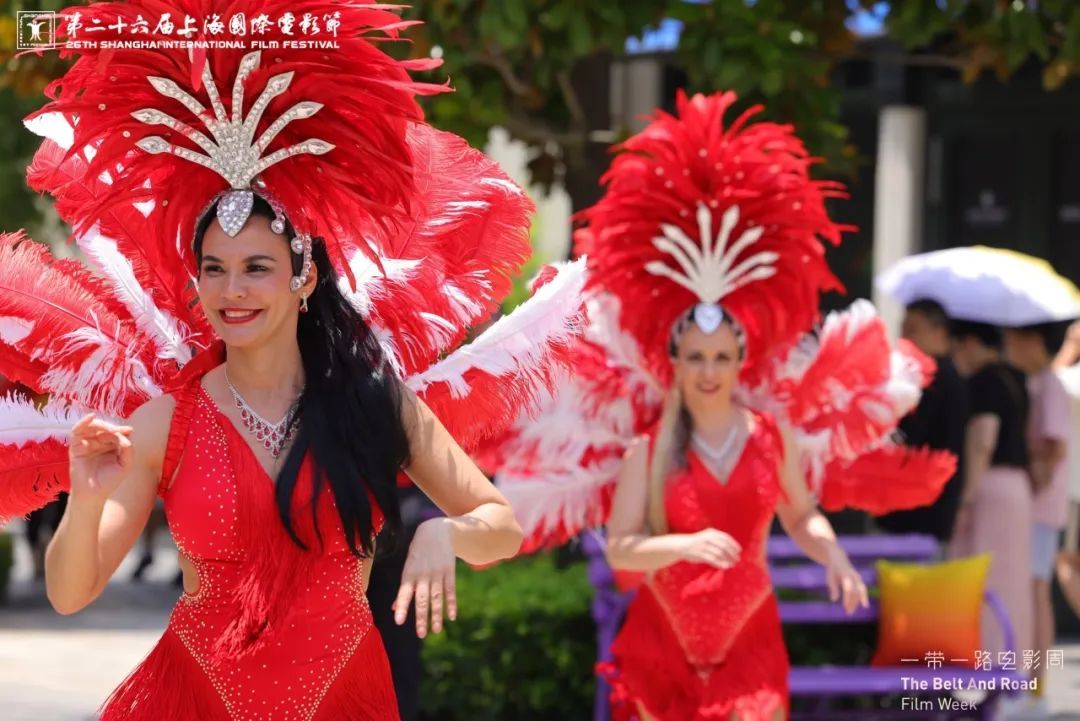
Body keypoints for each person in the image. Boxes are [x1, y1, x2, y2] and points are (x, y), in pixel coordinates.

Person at [0, 3, 596, 718]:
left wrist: (446, 531)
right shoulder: (165, 423)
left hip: (344, 699)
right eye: (214, 269)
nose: (233, 290)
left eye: (256, 267)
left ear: (303, 277)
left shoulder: (373, 403)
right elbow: (71, 592)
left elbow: (501, 524)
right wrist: (87, 494)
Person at [950, 320, 1032, 660]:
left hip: (990, 487)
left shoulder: (984, 381)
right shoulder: (1018, 378)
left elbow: (984, 439)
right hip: (1017, 488)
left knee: (983, 577)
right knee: (1012, 579)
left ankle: (988, 659)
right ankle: (1011, 662)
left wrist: (966, 499)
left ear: (970, 343)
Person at [1004, 322, 1071, 716]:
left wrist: (1029, 480)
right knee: (1030, 591)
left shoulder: (1050, 386)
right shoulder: (1038, 383)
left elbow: (1055, 447)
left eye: (1015, 337)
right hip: (1034, 505)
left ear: (1034, 340)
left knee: (1035, 592)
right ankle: (1029, 687)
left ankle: (1035, 689)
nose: (1009, 343)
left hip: (1040, 508)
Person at [877, 299, 969, 544]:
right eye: (903, 328)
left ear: (939, 332)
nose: (905, 337)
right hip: (921, 507)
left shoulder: (936, 378)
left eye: (913, 329)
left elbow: (908, 438)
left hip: (919, 509)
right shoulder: (946, 376)